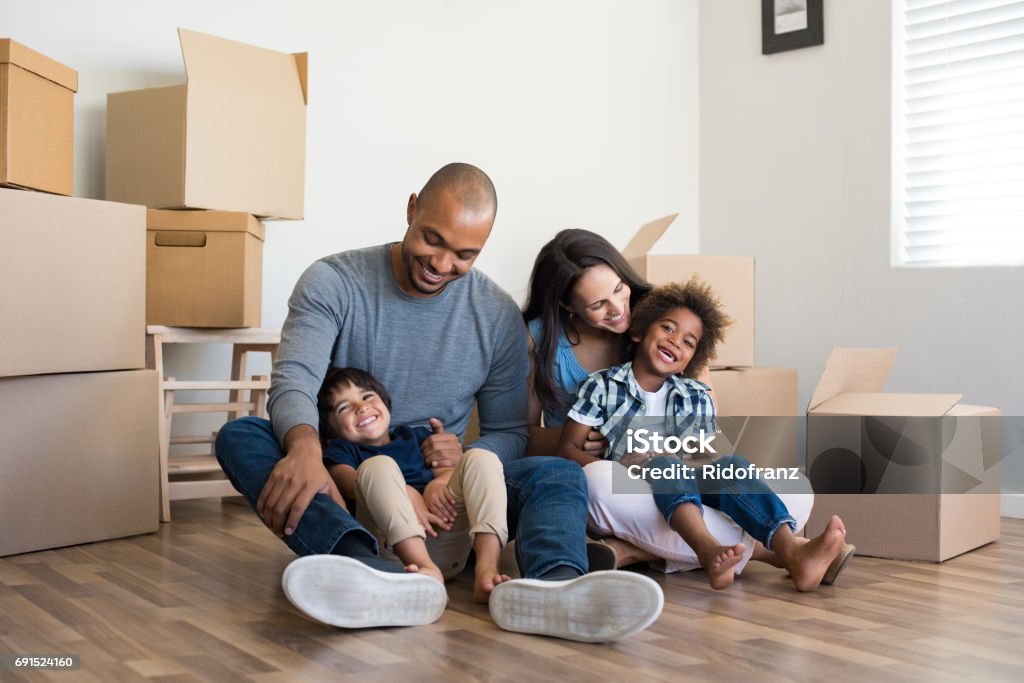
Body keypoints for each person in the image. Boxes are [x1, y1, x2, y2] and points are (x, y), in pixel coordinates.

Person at [215, 163, 663, 642]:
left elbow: (510, 430)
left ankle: (554, 586)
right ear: (411, 209)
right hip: (348, 478)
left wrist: (460, 463)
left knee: (557, 472)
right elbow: (295, 380)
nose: (443, 264)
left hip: (449, 498)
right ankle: (360, 564)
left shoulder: (495, 315)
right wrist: (305, 449)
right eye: (433, 240)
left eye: (464, 254)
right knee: (242, 436)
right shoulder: (333, 281)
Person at [522, 229, 828, 580]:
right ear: (567, 305)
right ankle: (767, 552)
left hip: (684, 474)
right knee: (600, 479)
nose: (619, 308)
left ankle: (634, 551)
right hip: (615, 478)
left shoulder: (666, 316)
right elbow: (534, 440)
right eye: (597, 304)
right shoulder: (566, 359)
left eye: (619, 289)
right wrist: (611, 439)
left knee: (797, 489)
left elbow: (710, 445)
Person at [559, 279, 854, 591]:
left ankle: (789, 549)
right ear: (639, 331)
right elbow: (567, 448)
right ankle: (712, 548)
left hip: (688, 482)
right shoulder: (602, 386)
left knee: (740, 467)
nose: (675, 342)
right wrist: (619, 466)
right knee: (643, 469)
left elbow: (707, 456)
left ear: (693, 360)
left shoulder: (695, 394)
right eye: (668, 328)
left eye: (689, 342)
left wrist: (710, 462)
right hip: (633, 484)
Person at [317, 366, 509, 603]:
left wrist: (438, 483)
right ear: (330, 430)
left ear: (386, 404)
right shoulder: (341, 451)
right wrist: (405, 491)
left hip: (448, 535)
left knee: (482, 458)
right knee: (378, 466)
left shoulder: (415, 436)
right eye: (344, 407)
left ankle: (487, 570)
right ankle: (425, 569)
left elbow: (449, 471)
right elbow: (348, 484)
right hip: (396, 550)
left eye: (367, 396)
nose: (361, 407)